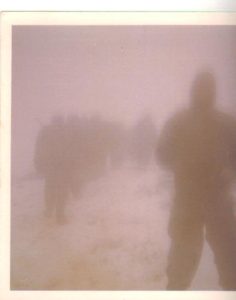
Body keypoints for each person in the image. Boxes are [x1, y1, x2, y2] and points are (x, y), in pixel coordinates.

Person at [156, 72, 236, 290]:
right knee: (181, 263)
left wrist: (230, 170)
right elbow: (161, 153)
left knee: (230, 261)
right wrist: (182, 165)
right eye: (200, 87)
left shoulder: (227, 123)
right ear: (193, 90)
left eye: (208, 87)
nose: (204, 92)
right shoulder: (178, 121)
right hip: (187, 202)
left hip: (218, 201)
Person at [34, 115, 70, 224]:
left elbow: (38, 148)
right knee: (62, 190)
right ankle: (60, 214)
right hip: (62, 166)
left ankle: (49, 210)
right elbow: (71, 149)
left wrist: (38, 163)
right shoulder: (65, 132)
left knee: (50, 188)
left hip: (50, 166)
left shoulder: (45, 131)